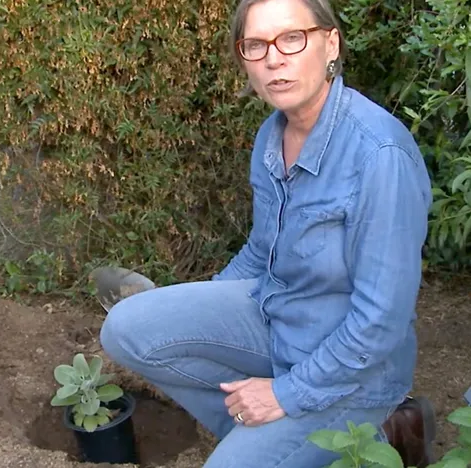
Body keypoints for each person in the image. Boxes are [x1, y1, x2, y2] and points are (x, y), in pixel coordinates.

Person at [96, 0, 436, 466]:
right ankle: (265, 440)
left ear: (330, 44)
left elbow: (380, 321)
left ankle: (379, 432)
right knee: (128, 329)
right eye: (255, 45)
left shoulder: (379, 154)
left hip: (354, 374)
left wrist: (285, 394)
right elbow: (261, 253)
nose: (274, 58)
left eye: (292, 38)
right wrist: (199, 319)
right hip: (278, 322)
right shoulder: (272, 136)